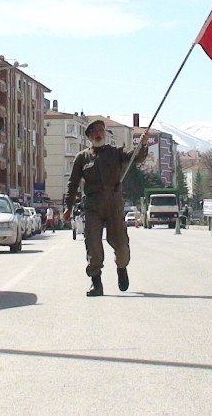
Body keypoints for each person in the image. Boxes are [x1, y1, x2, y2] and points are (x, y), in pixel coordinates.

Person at [63, 120, 149, 297]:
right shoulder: (82, 158)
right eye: (94, 132)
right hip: (93, 206)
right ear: (89, 137)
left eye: (101, 130)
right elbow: (73, 183)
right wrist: (68, 207)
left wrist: (143, 144)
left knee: (121, 245)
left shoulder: (115, 153)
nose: (98, 134)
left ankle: (121, 268)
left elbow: (135, 157)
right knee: (93, 244)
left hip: (114, 205)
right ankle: (96, 283)